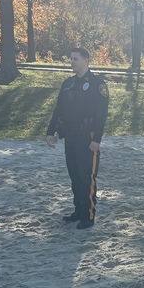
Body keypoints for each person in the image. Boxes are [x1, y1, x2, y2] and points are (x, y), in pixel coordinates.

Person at [45, 47, 109, 229]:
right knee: (74, 176)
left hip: (87, 137)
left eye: (75, 59)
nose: (72, 62)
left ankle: (88, 215)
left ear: (86, 61)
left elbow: (101, 114)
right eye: (71, 59)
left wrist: (97, 139)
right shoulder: (67, 84)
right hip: (71, 136)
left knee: (86, 176)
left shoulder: (98, 84)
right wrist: (51, 132)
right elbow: (59, 110)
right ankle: (79, 210)